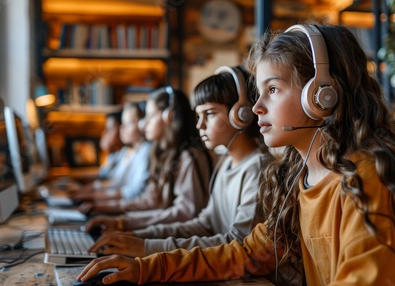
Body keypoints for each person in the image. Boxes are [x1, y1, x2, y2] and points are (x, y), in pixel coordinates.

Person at [75, 24, 395, 285]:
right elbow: (245, 253)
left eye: (272, 90)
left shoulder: (364, 183)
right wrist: (147, 268)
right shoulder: (298, 178)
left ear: (321, 95)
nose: (257, 108)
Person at [85, 66, 273, 258]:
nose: (200, 125)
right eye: (199, 116)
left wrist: (145, 245)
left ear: (242, 114)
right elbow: (204, 224)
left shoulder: (257, 169)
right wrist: (136, 237)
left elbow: (238, 244)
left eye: (209, 114)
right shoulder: (226, 163)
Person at [78, 86, 213, 231]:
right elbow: (150, 201)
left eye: (150, 116)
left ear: (169, 116)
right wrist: (110, 213)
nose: (143, 124)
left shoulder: (188, 157)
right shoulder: (164, 154)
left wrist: (122, 222)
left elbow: (185, 214)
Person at [70, 102, 151, 201]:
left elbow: (128, 190)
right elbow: (113, 181)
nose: (122, 128)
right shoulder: (131, 151)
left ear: (142, 124)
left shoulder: (145, 151)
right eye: (122, 123)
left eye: (128, 123)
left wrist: (92, 196)